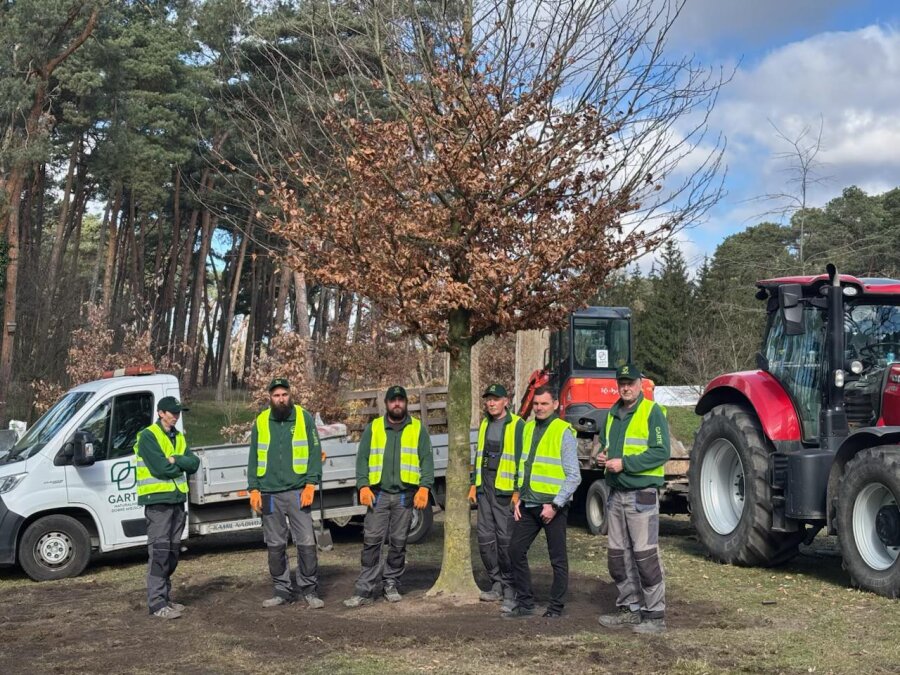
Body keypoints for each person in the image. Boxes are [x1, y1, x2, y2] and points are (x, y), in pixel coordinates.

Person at [596, 363, 670, 634]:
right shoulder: (612, 414)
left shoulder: (652, 412)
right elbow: (603, 446)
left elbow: (661, 452)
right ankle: (629, 609)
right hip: (615, 495)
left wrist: (624, 463)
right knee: (617, 556)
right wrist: (601, 457)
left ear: (640, 384)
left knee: (645, 555)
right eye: (622, 383)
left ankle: (655, 616)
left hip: (642, 495)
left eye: (630, 382)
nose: (625, 387)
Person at [344, 385, 434, 607]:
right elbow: (362, 459)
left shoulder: (417, 429)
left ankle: (391, 583)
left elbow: (427, 460)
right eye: (393, 400)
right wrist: (363, 486)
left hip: (405, 496)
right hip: (379, 495)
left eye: (400, 400)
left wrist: (425, 487)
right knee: (372, 541)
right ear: (386, 404)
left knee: (398, 542)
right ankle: (364, 589)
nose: (397, 404)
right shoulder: (374, 428)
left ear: (405, 403)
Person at [504, 385, 581, 619]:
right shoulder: (527, 429)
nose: (538, 408)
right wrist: (518, 495)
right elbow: (524, 466)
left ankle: (556, 607)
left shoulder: (563, 431)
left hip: (553, 507)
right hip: (528, 503)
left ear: (555, 405)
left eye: (544, 404)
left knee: (557, 558)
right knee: (515, 550)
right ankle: (526, 603)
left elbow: (574, 475)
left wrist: (555, 504)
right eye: (536, 404)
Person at [247, 377, 324, 609]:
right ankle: (282, 590)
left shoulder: (304, 418)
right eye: (276, 395)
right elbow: (253, 457)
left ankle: (309, 590)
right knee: (275, 544)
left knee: (306, 542)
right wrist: (253, 489)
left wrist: (311, 484)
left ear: (291, 395)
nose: (281, 399)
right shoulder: (261, 421)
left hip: (298, 491)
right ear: (269, 398)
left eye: (284, 394)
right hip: (269, 493)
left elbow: (315, 451)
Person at [134, 396, 200, 620]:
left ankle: (166, 598)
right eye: (172, 412)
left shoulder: (178, 437)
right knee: (160, 553)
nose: (176, 416)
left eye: (178, 413)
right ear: (161, 413)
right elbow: (161, 469)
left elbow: (194, 463)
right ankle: (156, 603)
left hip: (176, 501)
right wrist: (178, 464)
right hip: (157, 503)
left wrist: (176, 460)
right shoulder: (148, 436)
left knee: (172, 553)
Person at [468, 383, 524, 612]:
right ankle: (496, 582)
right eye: (488, 399)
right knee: (484, 539)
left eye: (496, 399)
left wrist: (518, 490)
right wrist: (474, 483)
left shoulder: (517, 425)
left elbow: (522, 458)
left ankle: (511, 587)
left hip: (505, 491)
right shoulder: (484, 423)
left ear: (505, 401)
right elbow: (479, 455)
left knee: (505, 541)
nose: (491, 403)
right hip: (485, 488)